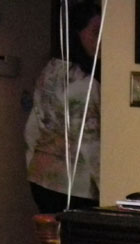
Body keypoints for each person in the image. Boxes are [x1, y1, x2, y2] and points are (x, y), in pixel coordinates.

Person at [24, 0, 102, 213]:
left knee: (51, 233)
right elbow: (89, 142)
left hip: (40, 177)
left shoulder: (49, 72)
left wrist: (32, 162)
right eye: (95, 32)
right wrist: (109, 187)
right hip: (74, 186)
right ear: (76, 35)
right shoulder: (82, 84)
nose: (101, 40)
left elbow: (32, 128)